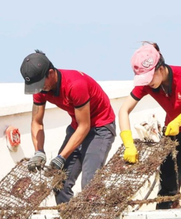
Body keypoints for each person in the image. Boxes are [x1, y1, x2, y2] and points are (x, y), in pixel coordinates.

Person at [118, 43, 181, 210]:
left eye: (149, 78)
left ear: (160, 68)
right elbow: (123, 111)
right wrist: (128, 144)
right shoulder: (147, 85)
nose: (147, 83)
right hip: (173, 131)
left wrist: (180, 120)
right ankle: (170, 213)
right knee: (167, 186)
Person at [20, 50, 117, 204]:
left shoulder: (75, 85)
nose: (38, 89)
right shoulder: (39, 88)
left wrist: (61, 157)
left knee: (90, 186)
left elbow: (85, 126)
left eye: (40, 84)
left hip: (100, 127)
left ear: (50, 73)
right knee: (59, 183)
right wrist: (39, 151)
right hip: (77, 126)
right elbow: (37, 122)